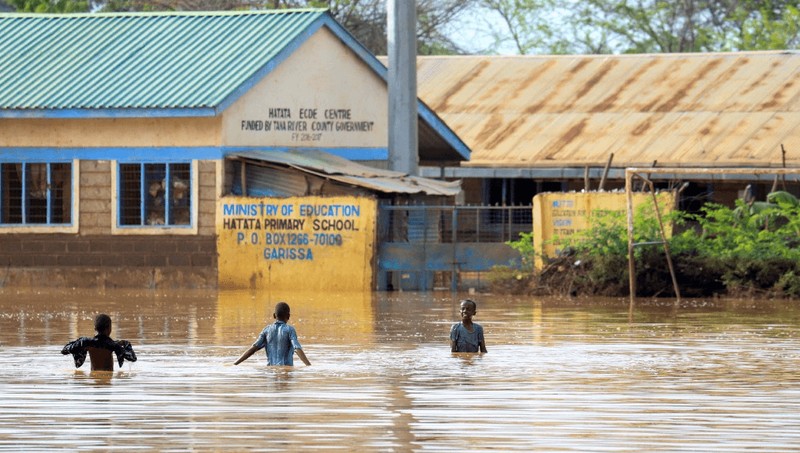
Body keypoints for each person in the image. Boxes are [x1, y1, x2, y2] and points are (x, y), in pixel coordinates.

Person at [234, 301, 311, 366]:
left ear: (274, 315)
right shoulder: (290, 330)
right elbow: (297, 348)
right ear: (288, 316)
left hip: (271, 372)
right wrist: (309, 365)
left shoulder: (266, 330)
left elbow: (252, 350)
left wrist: (235, 364)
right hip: (286, 372)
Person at [61, 313, 137, 371]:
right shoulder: (112, 345)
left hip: (93, 379)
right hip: (108, 378)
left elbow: (65, 350)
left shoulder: (87, 343)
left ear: (95, 328)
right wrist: (126, 344)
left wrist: (78, 344)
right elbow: (133, 358)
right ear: (109, 328)